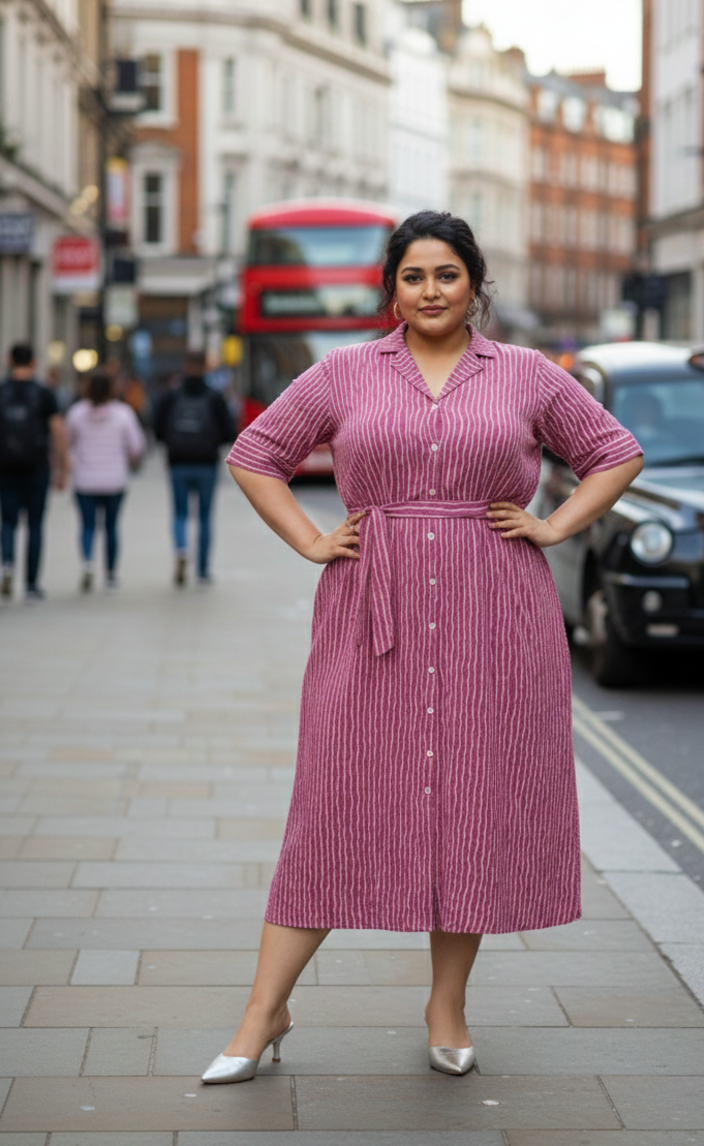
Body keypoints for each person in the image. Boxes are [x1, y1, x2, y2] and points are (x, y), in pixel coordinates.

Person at [203, 211, 643, 1085]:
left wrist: (553, 524)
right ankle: (264, 1012)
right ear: (391, 288)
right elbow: (256, 454)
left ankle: (447, 1005)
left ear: (475, 283)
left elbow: (615, 453)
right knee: (334, 803)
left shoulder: (523, 373)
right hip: (374, 607)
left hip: (497, 613)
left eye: (447, 275)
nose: (431, 291)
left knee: (469, 805)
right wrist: (309, 539)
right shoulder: (342, 374)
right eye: (414, 276)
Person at [154, 350, 235, 586]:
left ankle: (181, 548)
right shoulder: (214, 397)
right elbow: (228, 431)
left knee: (179, 513)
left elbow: (158, 428)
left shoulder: (171, 396)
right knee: (205, 517)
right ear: (205, 367)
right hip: (206, 463)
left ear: (186, 364)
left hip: (178, 462)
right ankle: (202, 571)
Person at [0, 343, 70, 601]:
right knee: (35, 524)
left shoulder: (2, 391)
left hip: (5, 466)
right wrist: (63, 467)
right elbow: (59, 431)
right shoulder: (43, 394)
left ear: (9, 360)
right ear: (33, 363)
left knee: (7, 521)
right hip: (37, 466)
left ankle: (6, 564)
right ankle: (31, 584)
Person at [65, 370, 147, 591]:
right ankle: (110, 574)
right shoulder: (123, 414)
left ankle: (88, 563)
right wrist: (130, 461)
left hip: (85, 479)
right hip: (114, 479)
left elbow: (66, 443)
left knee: (88, 525)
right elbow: (137, 446)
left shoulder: (76, 413)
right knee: (111, 527)